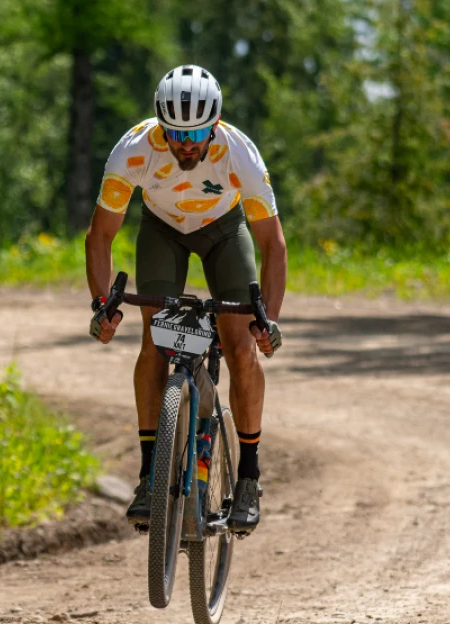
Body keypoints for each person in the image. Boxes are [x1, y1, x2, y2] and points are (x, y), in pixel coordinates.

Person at [85, 64, 287, 534]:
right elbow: (100, 237)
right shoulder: (134, 151)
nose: (187, 143)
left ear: (215, 125)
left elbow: (272, 245)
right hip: (162, 231)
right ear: (161, 127)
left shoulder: (240, 154)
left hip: (224, 230)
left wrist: (268, 320)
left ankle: (250, 479)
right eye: (176, 133)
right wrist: (103, 304)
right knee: (154, 344)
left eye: (197, 132)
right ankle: (148, 477)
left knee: (239, 348)